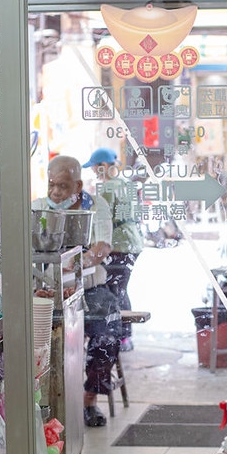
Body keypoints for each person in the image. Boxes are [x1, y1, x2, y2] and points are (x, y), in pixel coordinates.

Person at [37, 155, 121, 428]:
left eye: (62, 186)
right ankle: (44, 403)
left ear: (78, 185)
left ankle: (88, 400)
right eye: (52, 185)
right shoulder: (38, 209)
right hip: (49, 290)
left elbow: (102, 246)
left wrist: (80, 262)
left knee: (106, 335)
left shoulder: (97, 206)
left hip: (91, 289)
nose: (55, 192)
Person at [83, 147, 144, 352]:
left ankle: (123, 337)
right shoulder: (126, 184)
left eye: (94, 168)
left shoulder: (107, 189)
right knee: (120, 288)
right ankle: (124, 336)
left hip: (119, 245)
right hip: (131, 242)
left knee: (115, 290)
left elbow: (100, 219)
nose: (93, 172)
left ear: (104, 166)